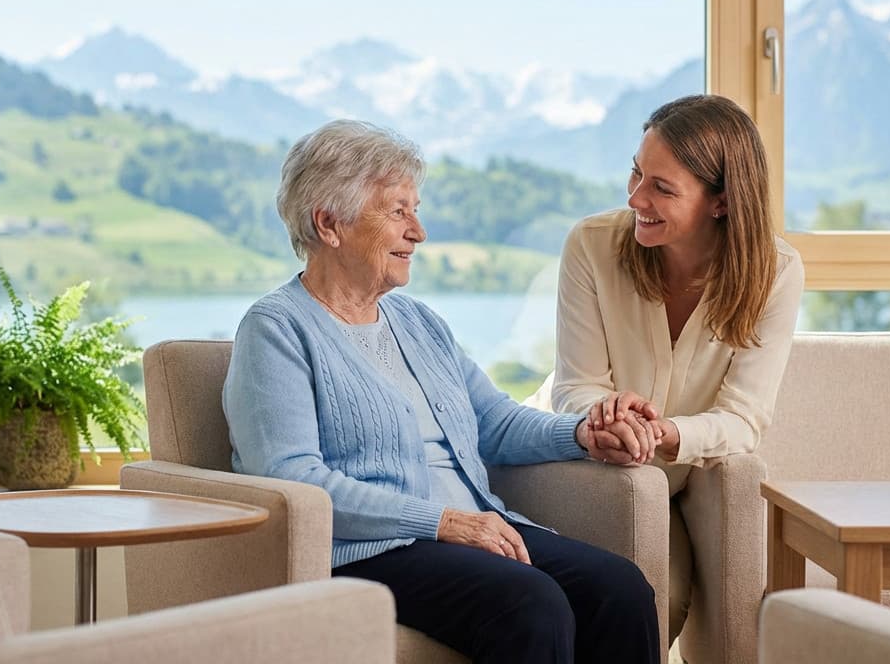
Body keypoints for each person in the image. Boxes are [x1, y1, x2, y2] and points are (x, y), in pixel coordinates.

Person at [222, 119, 660, 664]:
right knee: (530, 603)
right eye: (397, 210)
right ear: (329, 223)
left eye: (416, 209)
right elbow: (292, 478)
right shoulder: (277, 329)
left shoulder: (418, 322)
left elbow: (494, 422)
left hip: (471, 531)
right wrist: (441, 522)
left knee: (620, 589)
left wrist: (583, 433)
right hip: (370, 550)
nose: (418, 232)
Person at [547, 94, 804, 642]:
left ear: (721, 202)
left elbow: (744, 418)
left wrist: (666, 434)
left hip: (679, 474)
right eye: (636, 174)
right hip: (587, 467)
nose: (637, 197)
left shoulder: (775, 272)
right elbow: (574, 386)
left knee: (666, 598)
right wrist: (606, 415)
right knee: (643, 590)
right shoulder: (592, 245)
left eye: (662, 188)